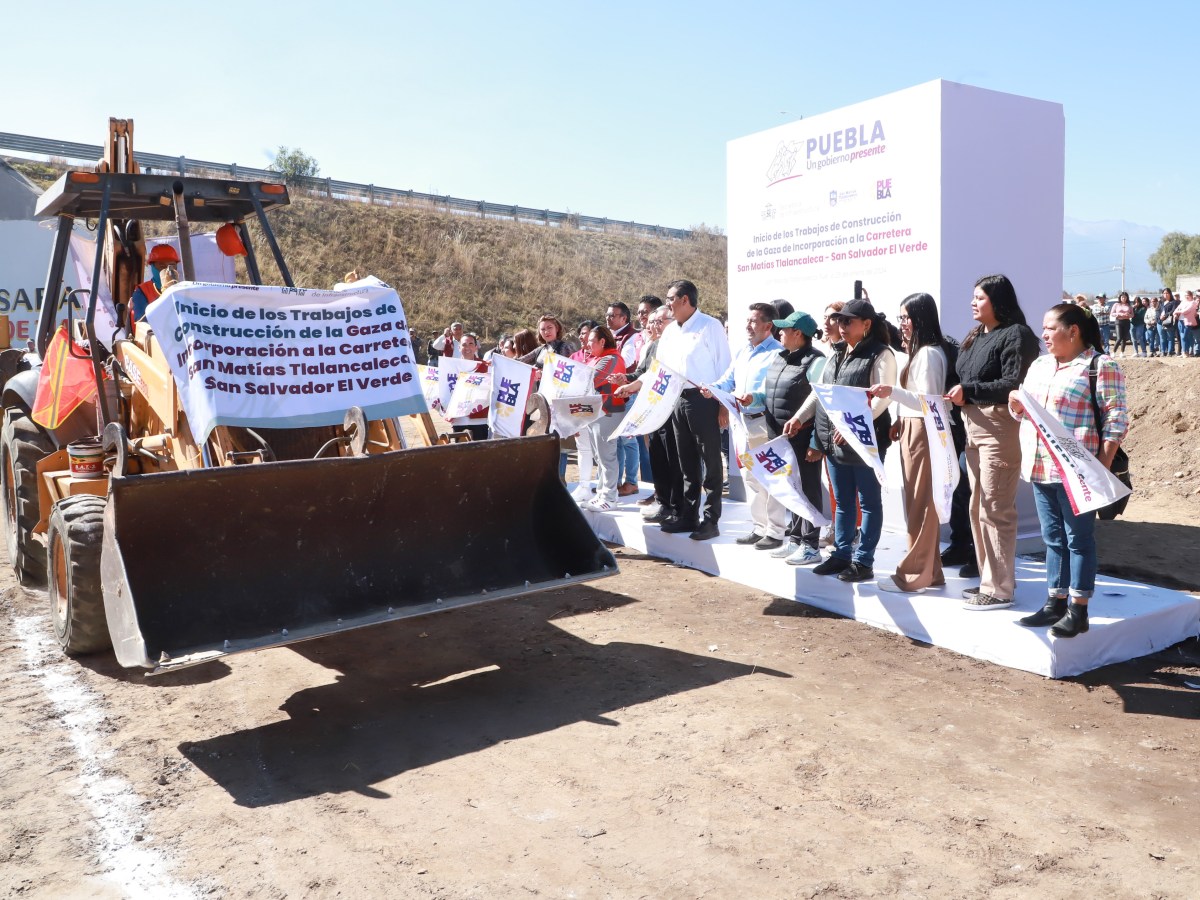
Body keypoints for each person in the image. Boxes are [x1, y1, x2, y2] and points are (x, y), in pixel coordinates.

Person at [1008, 302, 1128, 637]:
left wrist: (1100, 469)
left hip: (1077, 472)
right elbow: (1026, 412)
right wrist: (1016, 406)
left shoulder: (1099, 365)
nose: (1043, 334)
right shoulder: (1041, 365)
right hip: (1040, 466)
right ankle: (1054, 602)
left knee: (1078, 539)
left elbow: (1116, 420)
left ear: (1072, 331)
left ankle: (1079, 608)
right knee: (1053, 538)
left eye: (1050, 328)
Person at [783, 298, 896, 582]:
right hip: (835, 442)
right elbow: (819, 392)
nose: (840, 325)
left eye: (847, 321)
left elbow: (882, 399)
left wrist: (851, 427)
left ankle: (864, 561)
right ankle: (841, 554)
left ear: (866, 324)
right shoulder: (836, 354)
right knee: (843, 502)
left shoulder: (882, 355)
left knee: (868, 502)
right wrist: (799, 417)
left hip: (865, 441)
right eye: (839, 320)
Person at [946, 274, 1040, 611]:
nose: (973, 303)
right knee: (978, 506)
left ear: (998, 301)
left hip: (1000, 426)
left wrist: (969, 392)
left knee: (997, 508)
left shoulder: (1017, 335)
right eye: (973, 297)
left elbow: (1014, 383)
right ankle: (989, 579)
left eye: (980, 298)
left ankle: (1001, 589)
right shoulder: (975, 336)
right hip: (972, 426)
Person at [868, 293, 954, 593]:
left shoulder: (929, 354)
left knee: (921, 503)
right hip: (912, 428)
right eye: (900, 318)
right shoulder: (922, 352)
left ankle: (915, 573)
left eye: (905, 318)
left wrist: (891, 392)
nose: (901, 324)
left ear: (919, 319)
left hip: (924, 431)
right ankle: (931, 572)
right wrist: (898, 419)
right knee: (916, 501)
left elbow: (928, 402)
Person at [654, 279, 732, 541]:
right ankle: (688, 515)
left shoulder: (710, 326)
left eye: (670, 299)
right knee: (685, 461)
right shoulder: (670, 331)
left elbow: (724, 368)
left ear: (685, 299)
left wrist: (723, 404)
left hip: (704, 399)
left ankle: (711, 520)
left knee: (710, 460)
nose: (667, 305)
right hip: (676, 399)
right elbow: (660, 369)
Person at [704, 303, 785, 550]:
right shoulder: (743, 351)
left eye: (753, 321)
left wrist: (754, 396)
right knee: (751, 478)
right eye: (748, 321)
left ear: (768, 325)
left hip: (764, 423)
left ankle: (776, 530)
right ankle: (759, 527)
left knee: (770, 478)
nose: (748, 326)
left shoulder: (777, 353)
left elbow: (775, 389)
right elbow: (728, 379)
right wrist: (712, 388)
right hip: (742, 424)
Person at [750, 310, 825, 565]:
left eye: (784, 329)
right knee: (790, 489)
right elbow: (772, 393)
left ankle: (811, 544)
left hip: (802, 438)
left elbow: (821, 404)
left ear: (798, 334)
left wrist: (816, 442)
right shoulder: (781, 357)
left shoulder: (816, 361)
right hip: (779, 437)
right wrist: (755, 398)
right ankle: (794, 538)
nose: (778, 332)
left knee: (808, 490)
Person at [615, 306, 682, 522]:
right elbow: (644, 373)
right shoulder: (654, 345)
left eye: (659, 321)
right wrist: (626, 380)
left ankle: (676, 504)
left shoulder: (679, 344)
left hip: (673, 407)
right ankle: (662, 501)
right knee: (657, 454)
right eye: (652, 322)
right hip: (653, 406)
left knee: (674, 457)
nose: (654, 325)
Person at [579, 325, 628, 511]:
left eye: (592, 341)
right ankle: (601, 493)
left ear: (602, 341)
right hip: (598, 411)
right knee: (600, 456)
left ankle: (609, 496)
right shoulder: (599, 358)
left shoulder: (610, 359)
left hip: (609, 411)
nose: (587, 344)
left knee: (607, 456)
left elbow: (591, 380)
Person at [449, 333, 489, 441]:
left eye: (471, 344)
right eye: (464, 344)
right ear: (459, 347)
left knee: (481, 452)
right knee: (461, 453)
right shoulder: (450, 367)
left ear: (476, 346)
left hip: (480, 418)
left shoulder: (486, 366)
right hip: (458, 418)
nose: (467, 347)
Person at [129, 243, 180, 322]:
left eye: (172, 266)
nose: (167, 270)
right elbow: (142, 322)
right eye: (162, 266)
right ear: (152, 267)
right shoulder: (142, 292)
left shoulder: (183, 290)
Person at [1175, 289, 1200, 357]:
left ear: (1191, 296)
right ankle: (1184, 352)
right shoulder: (1183, 302)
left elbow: (1186, 311)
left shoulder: (1193, 303)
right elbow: (1176, 309)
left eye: (1188, 295)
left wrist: (1179, 311)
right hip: (1180, 321)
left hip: (1188, 322)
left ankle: (1187, 351)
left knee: (1185, 336)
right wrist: (1176, 313)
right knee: (1182, 337)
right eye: (1185, 295)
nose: (1186, 297)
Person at [1110, 291, 1134, 357]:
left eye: (1125, 297)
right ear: (1120, 298)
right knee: (1119, 338)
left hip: (1126, 322)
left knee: (1124, 338)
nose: (1124, 298)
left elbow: (1132, 315)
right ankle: (1113, 352)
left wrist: (1129, 315)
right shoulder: (1116, 305)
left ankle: (1122, 352)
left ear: (1127, 298)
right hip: (1118, 322)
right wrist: (1119, 314)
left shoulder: (1129, 305)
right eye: (1122, 297)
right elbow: (1112, 313)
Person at [1159, 290, 1178, 356]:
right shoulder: (1161, 302)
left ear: (1170, 293)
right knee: (1162, 338)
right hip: (1160, 322)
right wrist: (1160, 317)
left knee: (1170, 337)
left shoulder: (1173, 302)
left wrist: (1165, 315)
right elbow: (1158, 311)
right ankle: (1163, 351)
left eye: (1167, 293)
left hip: (1169, 322)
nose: (1165, 294)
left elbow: (1173, 310)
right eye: (1164, 293)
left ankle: (1170, 351)